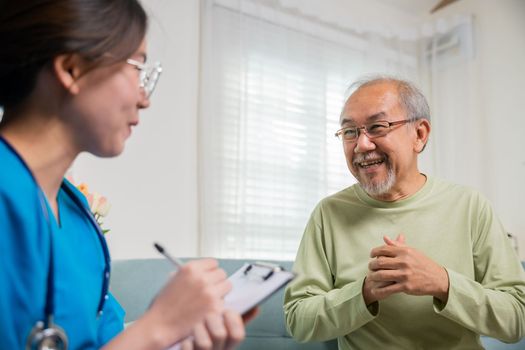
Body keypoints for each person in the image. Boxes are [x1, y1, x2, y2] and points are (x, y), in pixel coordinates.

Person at [0, 1, 255, 349]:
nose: (144, 98)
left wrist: (178, 340)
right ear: (72, 69)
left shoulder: (77, 217)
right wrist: (158, 326)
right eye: (137, 68)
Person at [283, 76, 525, 349]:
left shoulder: (470, 206)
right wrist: (363, 293)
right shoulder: (328, 214)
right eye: (350, 132)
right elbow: (298, 321)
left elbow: (516, 319)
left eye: (377, 127)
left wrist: (443, 283)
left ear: (419, 135)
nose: (361, 145)